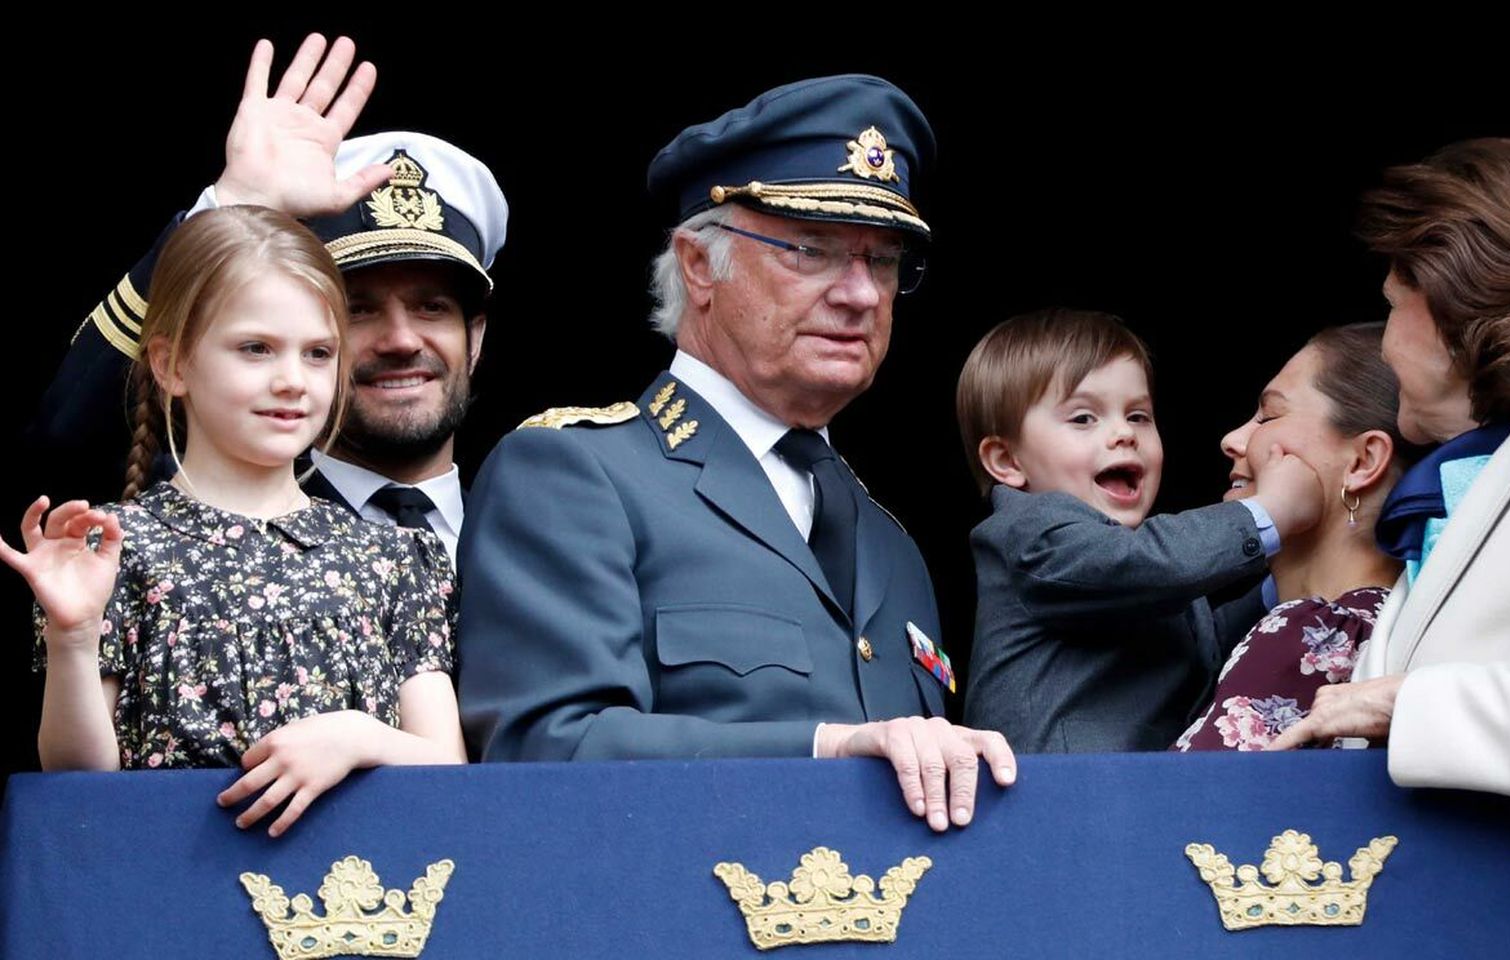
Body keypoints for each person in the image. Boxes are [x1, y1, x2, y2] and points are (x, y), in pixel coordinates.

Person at [456, 75, 1014, 832]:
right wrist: (828, 749)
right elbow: (546, 751)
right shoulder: (574, 472)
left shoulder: (891, 543)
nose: (860, 294)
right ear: (697, 264)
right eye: (813, 250)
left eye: (882, 261)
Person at [2, 207, 466, 837]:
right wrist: (74, 637)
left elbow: (452, 771)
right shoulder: (113, 544)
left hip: (362, 900)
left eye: (318, 354)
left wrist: (357, 738)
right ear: (173, 365)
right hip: (174, 892)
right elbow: (77, 783)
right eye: (256, 349)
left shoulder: (391, 553)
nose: (291, 381)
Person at [28, 34, 507, 562]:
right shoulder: (191, 522)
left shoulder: (534, 534)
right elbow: (63, 444)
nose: (400, 339)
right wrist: (230, 209)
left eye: (431, 307)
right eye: (357, 309)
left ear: (476, 336)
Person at [1271, 139, 1510, 804]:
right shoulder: (1474, 479)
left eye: (1394, 307)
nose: (1385, 345)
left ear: (1460, 309)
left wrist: (1406, 706)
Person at [956, 309, 1321, 752]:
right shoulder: (1030, 533)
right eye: (1083, 419)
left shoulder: (1143, 572)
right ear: (1007, 462)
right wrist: (1269, 513)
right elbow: (1148, 563)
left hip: (1128, 802)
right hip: (1051, 805)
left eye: (1138, 416)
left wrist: (1283, 585)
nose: (1122, 434)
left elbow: (1201, 646)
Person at [1175, 323, 1418, 750]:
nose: (1231, 440)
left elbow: (1188, 806)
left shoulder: (1310, 631)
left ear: (1363, 461)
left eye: (1269, 416)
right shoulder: (1401, 628)